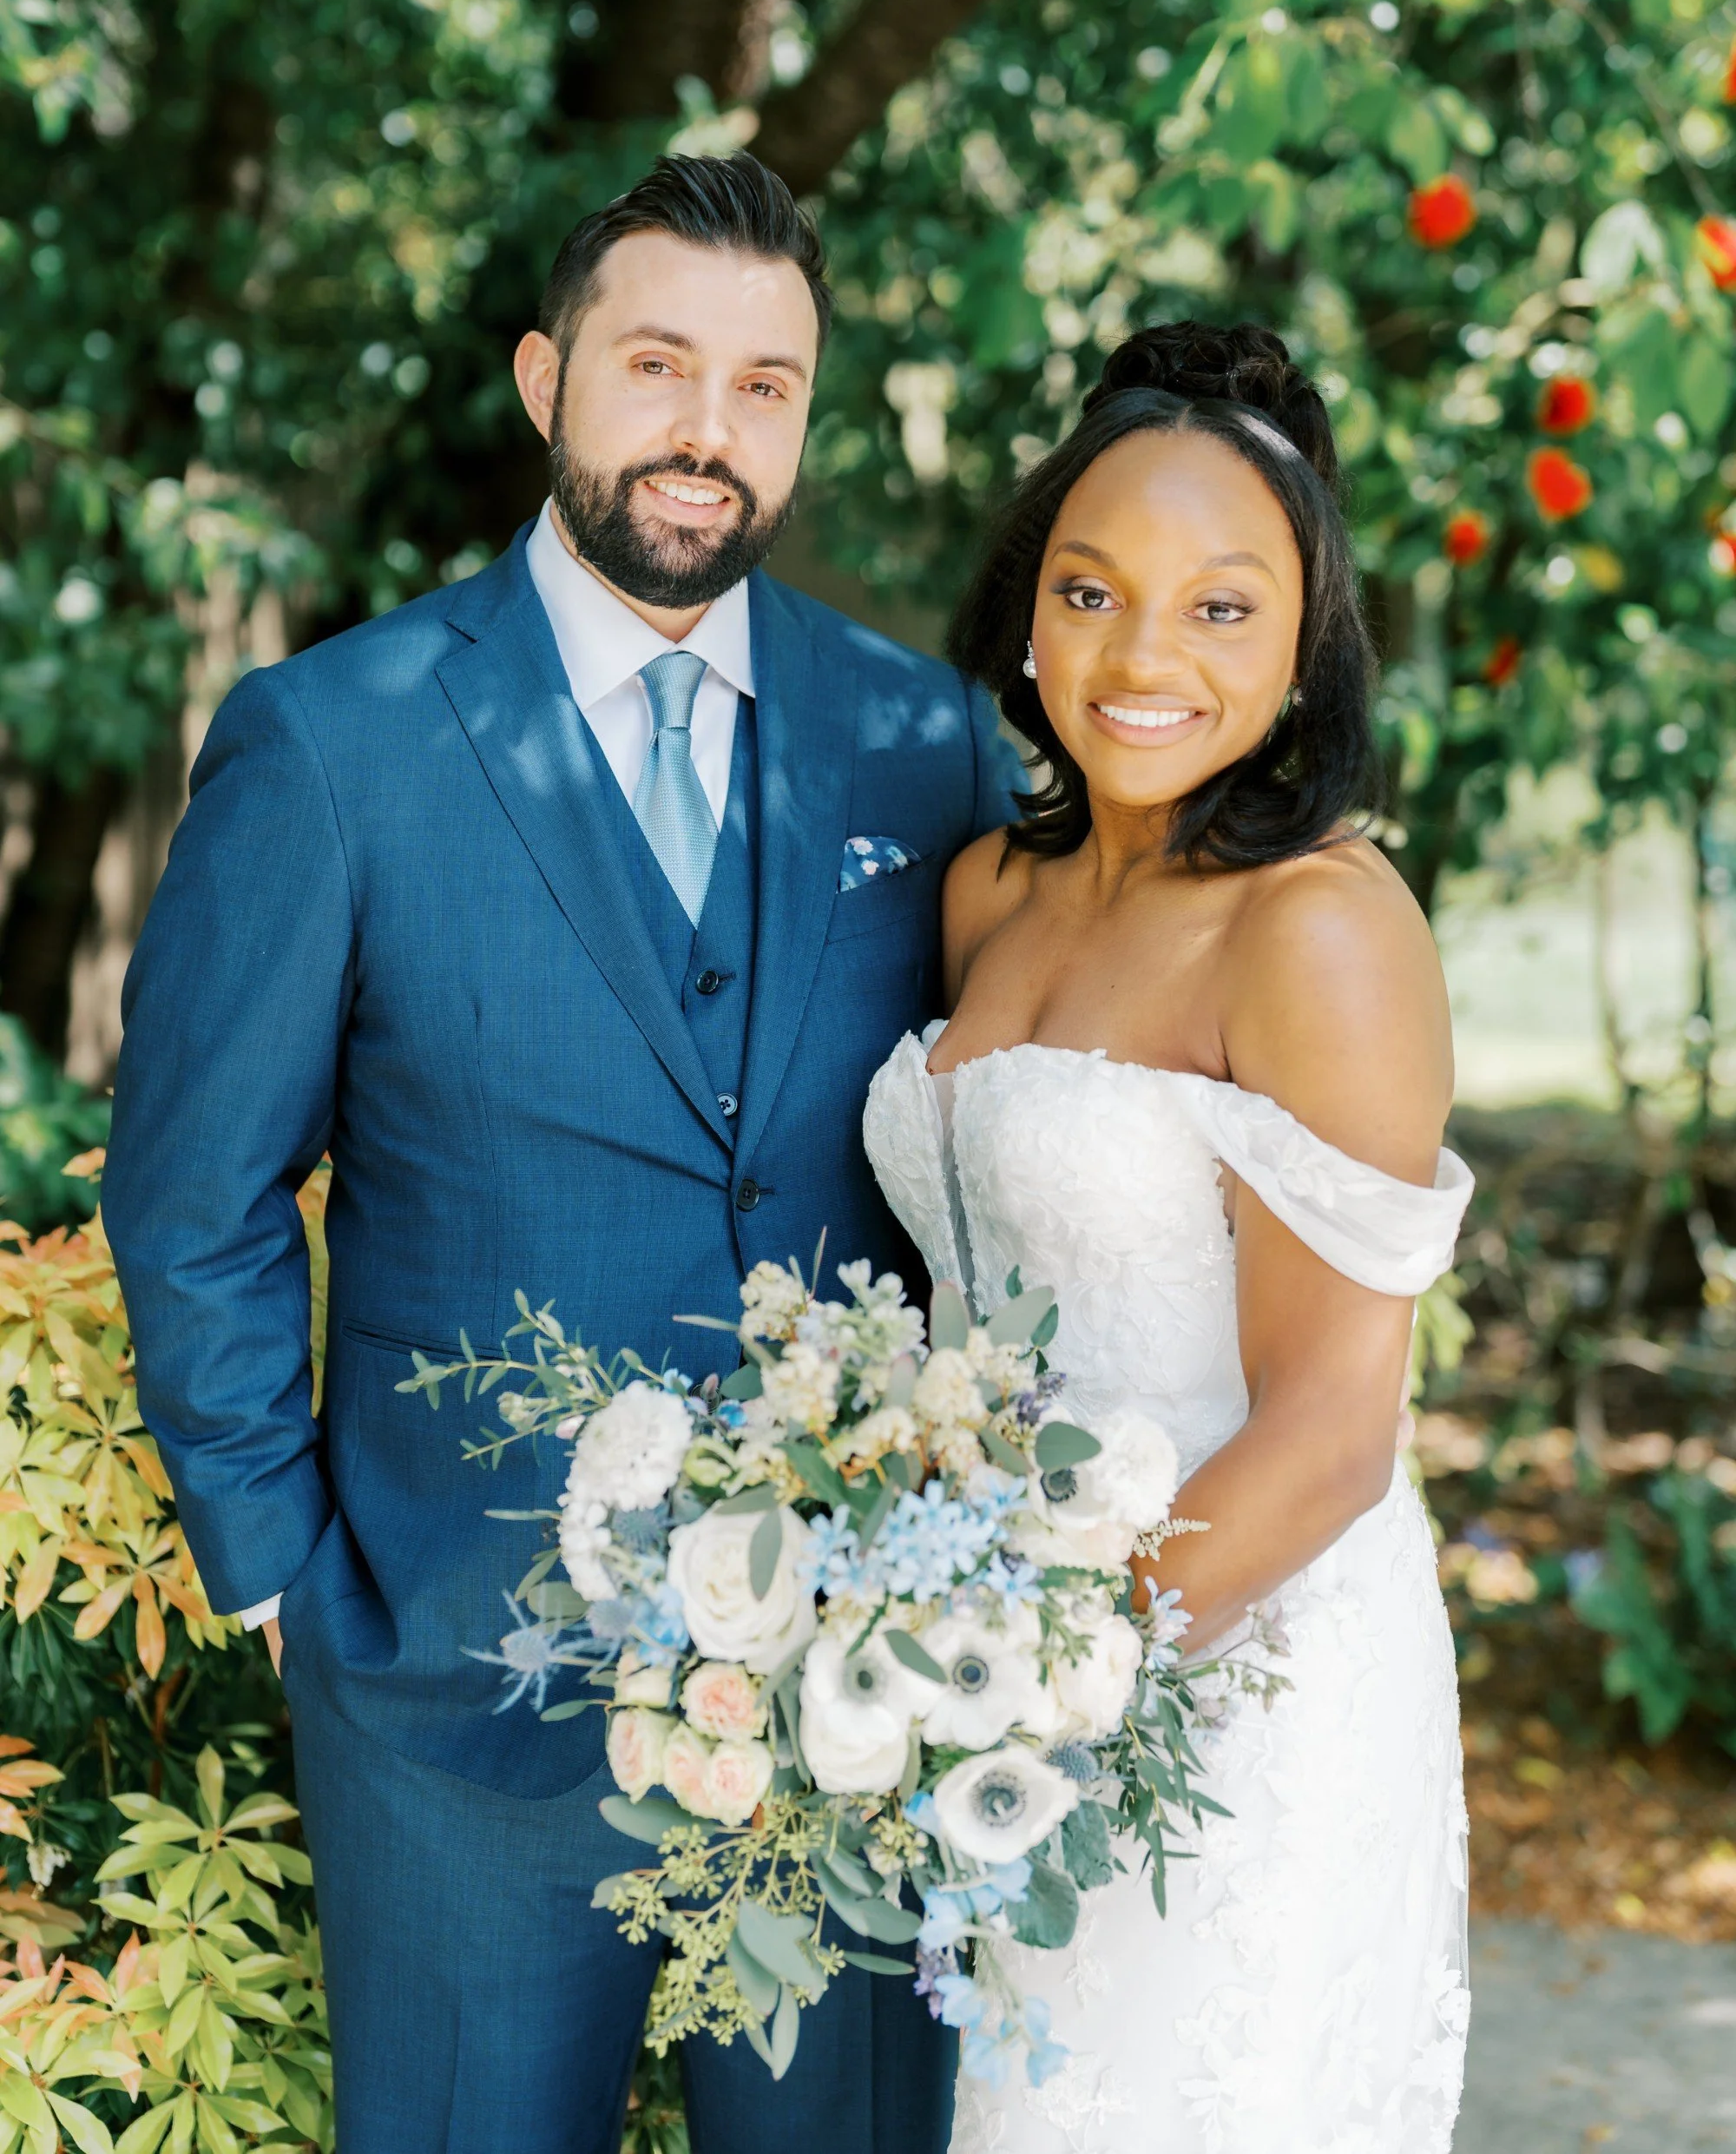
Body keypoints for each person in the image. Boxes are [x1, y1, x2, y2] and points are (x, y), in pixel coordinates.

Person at [102, 153, 1017, 2154]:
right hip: (451, 1706)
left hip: (847, 1702)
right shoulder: (333, 744)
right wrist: (282, 1580)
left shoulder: (922, 743)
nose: (708, 432)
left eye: (765, 384)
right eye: (658, 364)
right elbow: (191, 1189)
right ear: (544, 378)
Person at [862, 321, 1476, 2154]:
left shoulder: (1319, 929)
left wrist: (1037, 1693)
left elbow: (1332, 1431)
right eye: (1093, 590)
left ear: (1305, 651)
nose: (1142, 655)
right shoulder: (986, 893)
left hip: (1226, 1694)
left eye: (1221, 608)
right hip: (976, 1682)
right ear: (1026, 612)